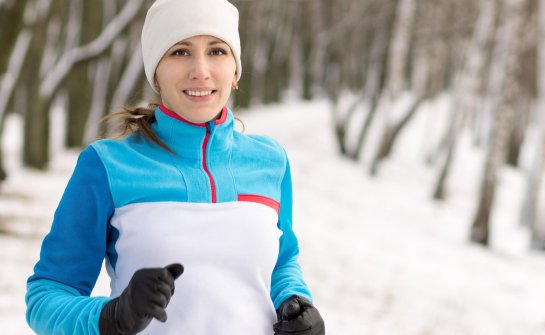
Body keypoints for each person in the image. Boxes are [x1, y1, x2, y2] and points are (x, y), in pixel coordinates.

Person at [24, 0, 325, 334]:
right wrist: (112, 317)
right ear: (156, 71)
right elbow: (46, 296)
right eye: (180, 52)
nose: (200, 70)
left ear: (235, 70)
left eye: (217, 51)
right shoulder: (107, 166)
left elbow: (282, 262)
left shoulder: (270, 161)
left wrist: (295, 302)